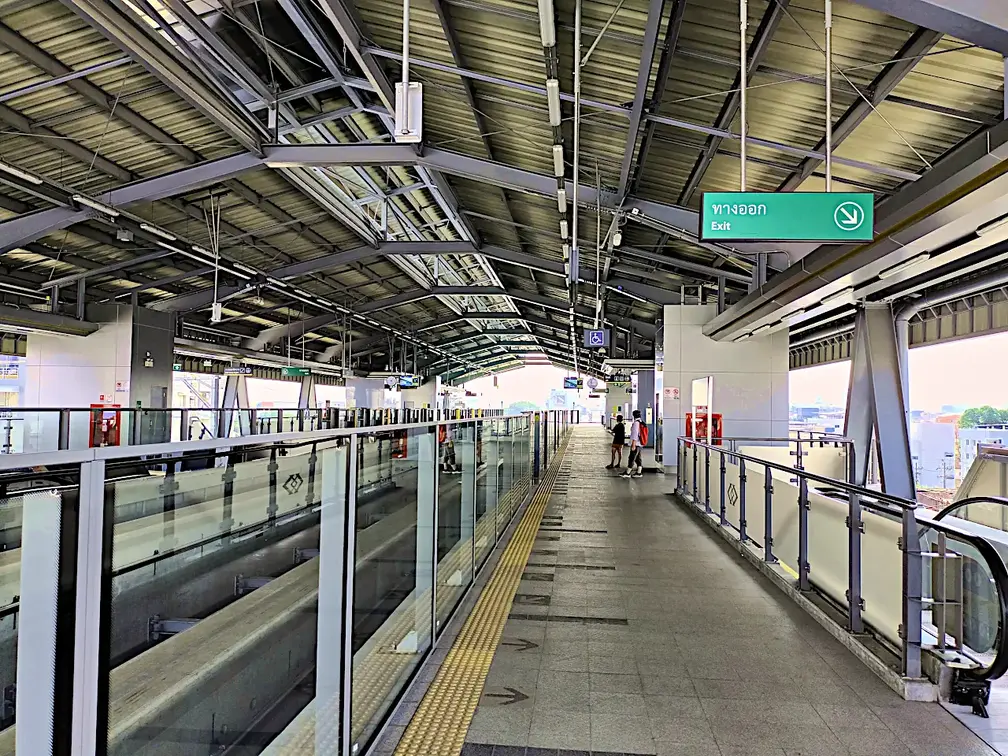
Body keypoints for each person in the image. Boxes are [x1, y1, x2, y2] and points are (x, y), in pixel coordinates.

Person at [622, 410, 644, 478]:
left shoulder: (636, 423)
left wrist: (633, 445)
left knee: (631, 457)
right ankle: (639, 472)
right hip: (640, 443)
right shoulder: (641, 422)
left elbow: (635, 435)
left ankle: (628, 472)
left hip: (636, 443)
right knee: (638, 458)